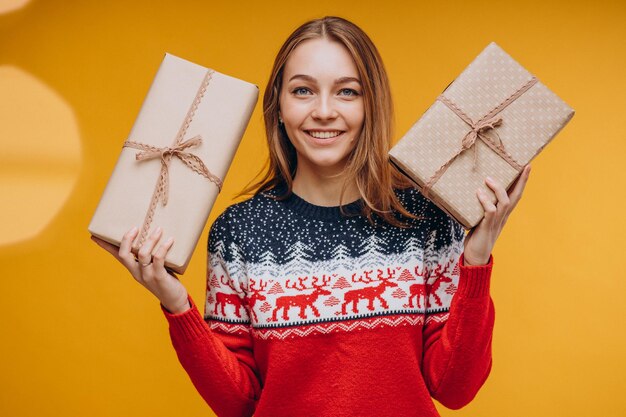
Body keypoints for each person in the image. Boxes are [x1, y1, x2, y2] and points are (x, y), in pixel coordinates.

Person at [92, 15, 532, 417]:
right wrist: (174, 302)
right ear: (279, 109)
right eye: (302, 90)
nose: (324, 110)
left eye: (347, 91)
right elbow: (239, 402)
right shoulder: (239, 232)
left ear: (370, 104)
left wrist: (475, 260)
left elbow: (454, 388)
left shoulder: (426, 218)